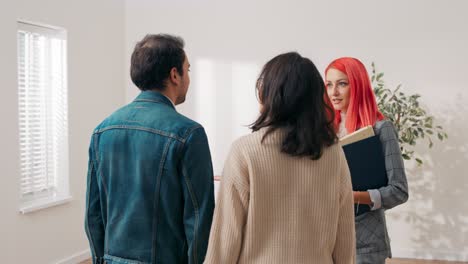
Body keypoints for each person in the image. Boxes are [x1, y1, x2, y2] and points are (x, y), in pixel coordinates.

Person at [204, 52, 356, 264]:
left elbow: (225, 241)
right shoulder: (334, 153)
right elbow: (345, 239)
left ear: (271, 93)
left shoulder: (244, 151)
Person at [85, 34, 215, 264]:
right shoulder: (188, 134)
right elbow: (198, 218)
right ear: (175, 74)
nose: (189, 77)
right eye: (188, 69)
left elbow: (93, 215)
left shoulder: (101, 131)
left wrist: (99, 260)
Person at [325, 57, 409, 264]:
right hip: (325, 240)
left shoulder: (381, 129)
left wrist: (352, 196)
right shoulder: (323, 131)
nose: (333, 92)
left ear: (358, 85)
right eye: (329, 85)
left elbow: (399, 191)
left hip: (365, 244)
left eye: (342, 84)